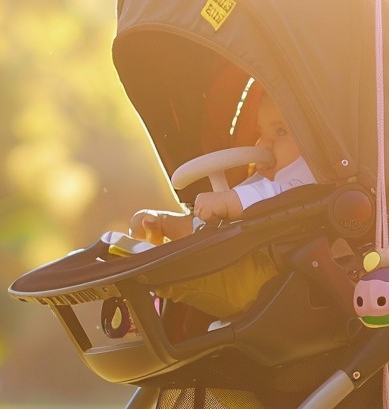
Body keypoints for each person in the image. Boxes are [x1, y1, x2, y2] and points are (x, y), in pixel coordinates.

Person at [118, 93, 314, 321]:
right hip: (247, 253)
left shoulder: (312, 172)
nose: (262, 144)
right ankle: (163, 231)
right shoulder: (271, 175)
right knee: (206, 234)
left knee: (201, 276)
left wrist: (229, 201)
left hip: (274, 276)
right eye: (260, 132)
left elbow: (281, 199)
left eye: (280, 131)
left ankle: (155, 273)